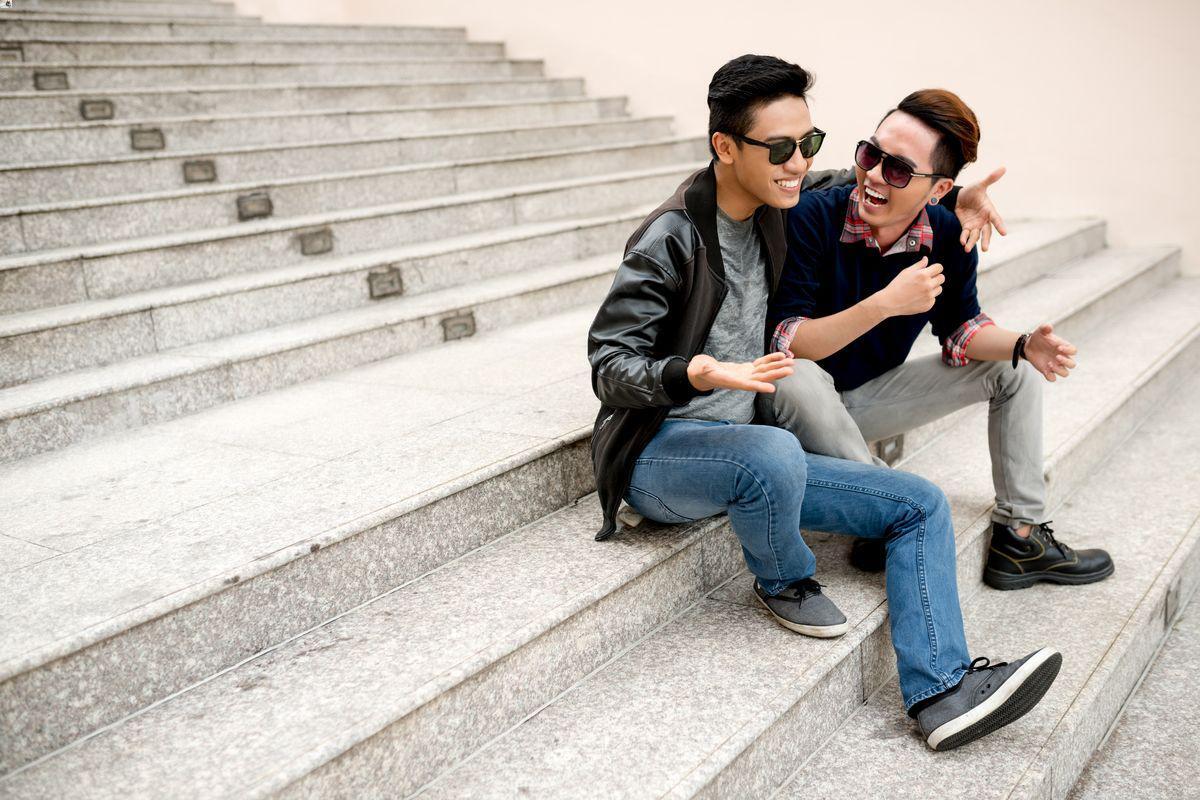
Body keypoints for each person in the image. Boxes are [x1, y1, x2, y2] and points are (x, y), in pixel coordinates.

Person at [587, 54, 1059, 750]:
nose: (801, 163)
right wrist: (696, 372)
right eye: (782, 149)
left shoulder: (778, 207)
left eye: (808, 143)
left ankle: (942, 690)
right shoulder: (671, 239)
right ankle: (784, 579)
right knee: (776, 444)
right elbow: (609, 365)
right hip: (665, 455)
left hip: (755, 448)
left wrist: (952, 200)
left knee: (920, 501)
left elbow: (856, 183)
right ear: (726, 148)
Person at [764, 89, 1114, 590]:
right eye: (870, 154)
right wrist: (884, 303)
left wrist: (1023, 345)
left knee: (1013, 369)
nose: (875, 174)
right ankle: (885, 508)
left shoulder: (948, 234)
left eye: (899, 169)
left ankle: (1020, 537)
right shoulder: (812, 217)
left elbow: (960, 329)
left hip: (862, 401)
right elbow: (788, 341)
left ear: (939, 188)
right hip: (795, 411)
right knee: (793, 374)